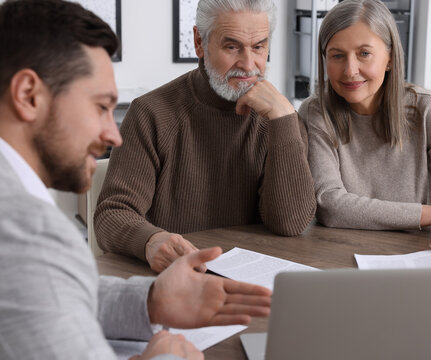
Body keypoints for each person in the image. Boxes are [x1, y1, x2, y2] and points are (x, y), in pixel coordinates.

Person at [0, 1, 271, 359]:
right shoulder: (26, 230)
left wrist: (149, 300)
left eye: (259, 46)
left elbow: (48, 296)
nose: (113, 135)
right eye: (100, 107)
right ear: (28, 96)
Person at [94, 0, 316, 273]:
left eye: (258, 47)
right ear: (199, 41)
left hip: (252, 280)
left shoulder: (279, 119)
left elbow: (290, 224)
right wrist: (151, 241)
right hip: (175, 279)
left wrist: (284, 119)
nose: (248, 65)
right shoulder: (150, 113)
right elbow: (111, 214)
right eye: (232, 46)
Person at [300, 0, 431, 253]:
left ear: (389, 59)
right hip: (335, 255)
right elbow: (330, 205)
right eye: (337, 55)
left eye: (364, 53)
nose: (350, 70)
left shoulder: (426, 109)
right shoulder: (315, 112)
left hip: (412, 257)